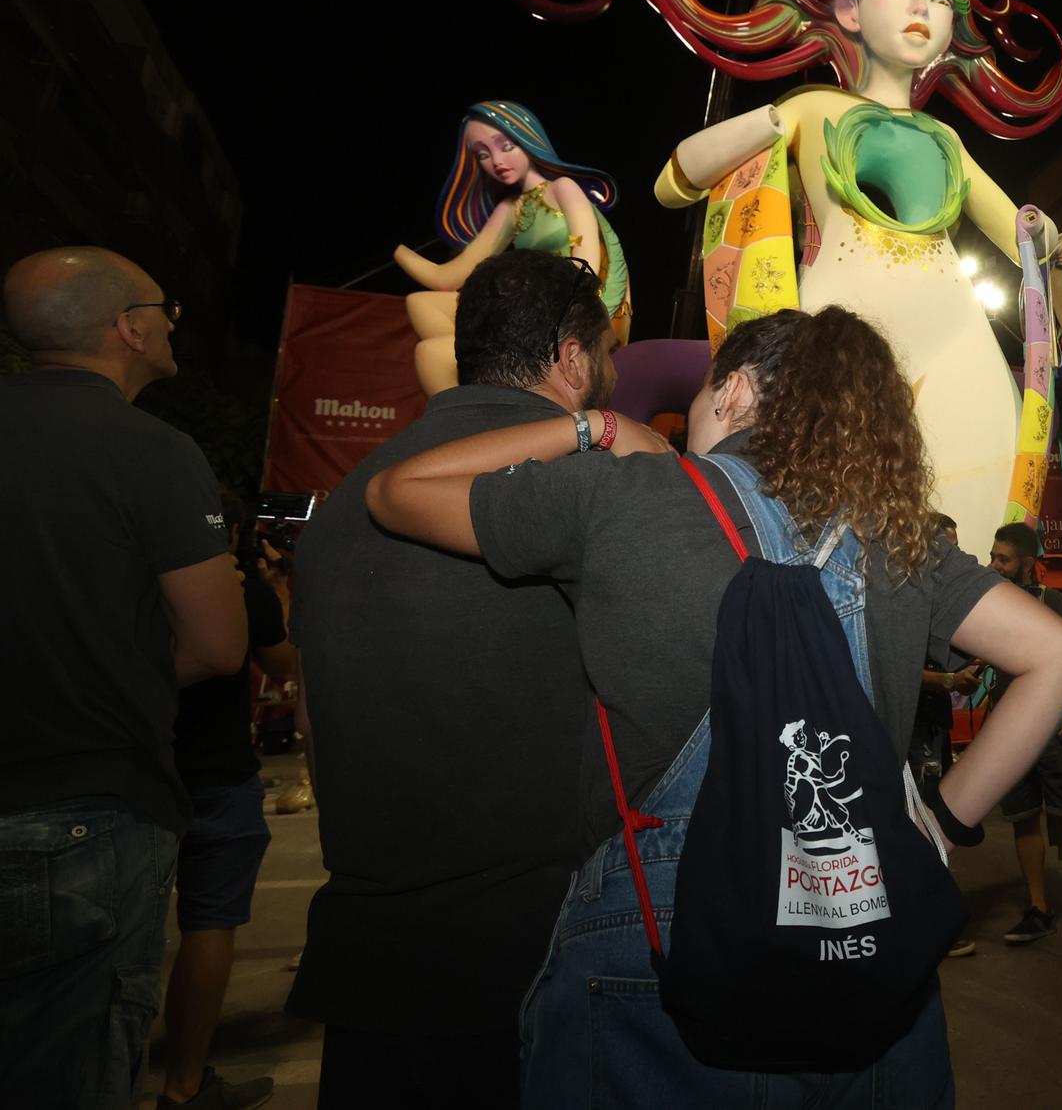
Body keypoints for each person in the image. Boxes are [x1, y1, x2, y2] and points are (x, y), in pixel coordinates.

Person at [364, 304, 1062, 1107]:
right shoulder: (900, 533)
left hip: (659, 954)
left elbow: (399, 490)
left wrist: (595, 429)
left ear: (738, 391)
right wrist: (941, 824)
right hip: (861, 954)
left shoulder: (622, 494)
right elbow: (1058, 656)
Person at [504, 0, 1062, 537]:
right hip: (837, 335)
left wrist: (1044, 235)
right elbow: (674, 183)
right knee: (818, 513)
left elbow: (1030, 238)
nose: (923, 7)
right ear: (847, 7)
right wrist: (767, 124)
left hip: (957, 337)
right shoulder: (813, 109)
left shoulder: (947, 144)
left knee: (968, 516)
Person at [286, 249, 617, 1108]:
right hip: (533, 961)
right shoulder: (586, 482)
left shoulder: (342, 502)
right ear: (572, 357)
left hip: (371, 958)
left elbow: (316, 730)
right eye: (604, 353)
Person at [0, 247, 247, 1110]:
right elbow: (219, 644)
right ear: (127, 327)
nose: (174, 320)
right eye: (163, 307)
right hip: (91, 814)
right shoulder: (153, 453)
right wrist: (109, 674)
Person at [158, 489, 297, 1110]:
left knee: (126, 928)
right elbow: (283, 661)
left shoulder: (134, 579)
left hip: (141, 766)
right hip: (217, 771)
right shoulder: (241, 588)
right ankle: (185, 1083)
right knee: (209, 923)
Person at [393, 100, 632, 394]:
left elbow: (587, 267)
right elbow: (448, 277)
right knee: (420, 303)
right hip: (538, 306)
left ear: (529, 140)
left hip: (576, 306)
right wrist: (396, 249)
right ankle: (485, 382)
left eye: (505, 146)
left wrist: (544, 312)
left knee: (434, 353)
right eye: (483, 154)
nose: (496, 161)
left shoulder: (563, 189)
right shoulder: (511, 209)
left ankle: (489, 394)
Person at [983, 522, 1062, 958]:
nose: (994, 565)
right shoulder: (990, 606)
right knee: (1023, 820)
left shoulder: (1049, 602)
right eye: (993, 556)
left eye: (1003, 559)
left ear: (1028, 565)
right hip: (1007, 737)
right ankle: (1039, 910)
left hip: (1051, 737)